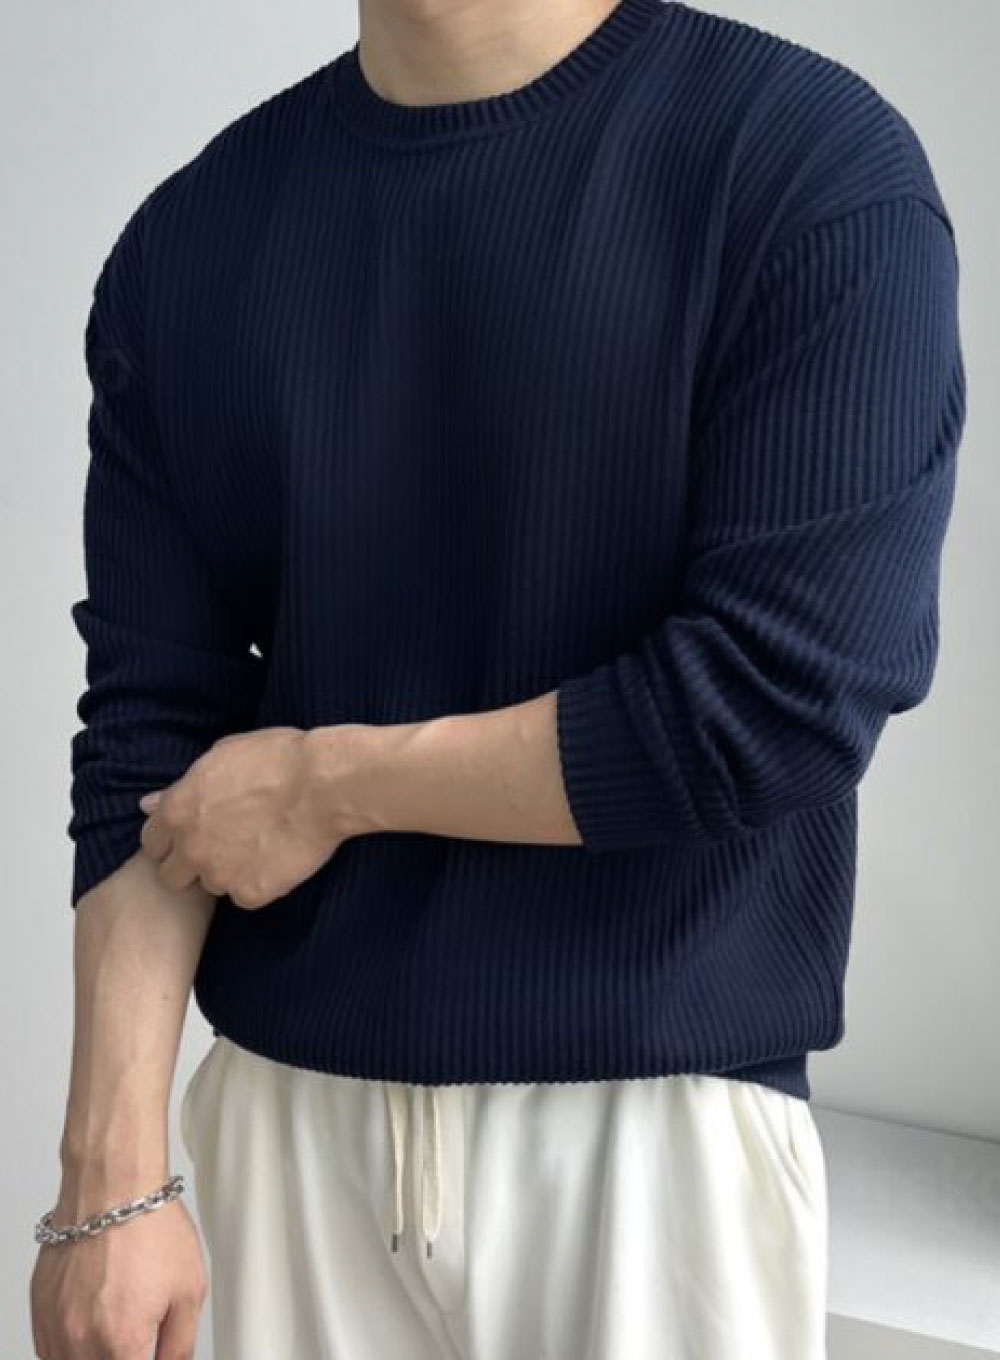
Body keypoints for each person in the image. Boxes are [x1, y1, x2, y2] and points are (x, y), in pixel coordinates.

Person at [31, 0, 966, 1356]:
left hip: (651, 1139)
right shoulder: (190, 241)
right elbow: (146, 733)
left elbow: (775, 704)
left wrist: (329, 785)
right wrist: (105, 1181)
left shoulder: (805, 166)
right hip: (283, 1134)